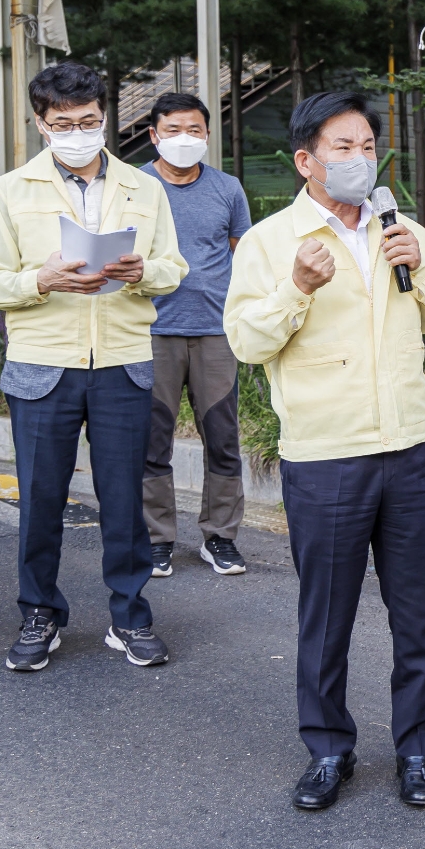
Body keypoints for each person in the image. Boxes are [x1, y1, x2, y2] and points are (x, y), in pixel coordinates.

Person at [225, 91, 425, 811]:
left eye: (367, 147)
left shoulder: (401, 228)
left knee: (420, 611)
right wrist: (297, 287)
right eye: (342, 147)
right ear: (306, 160)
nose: (359, 159)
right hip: (326, 455)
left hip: (407, 448)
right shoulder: (273, 242)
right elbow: (246, 341)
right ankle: (328, 749)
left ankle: (417, 749)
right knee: (326, 614)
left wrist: (418, 263)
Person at [0, 61, 188, 671]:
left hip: (123, 362)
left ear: (104, 118)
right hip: (43, 366)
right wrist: (39, 279)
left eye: (89, 121)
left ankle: (130, 615)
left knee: (124, 499)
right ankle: (40, 613)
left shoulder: (144, 188)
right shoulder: (11, 190)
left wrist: (144, 272)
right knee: (41, 500)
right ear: (41, 124)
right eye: (64, 123)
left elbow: (173, 267)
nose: (79, 132)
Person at [139, 92, 253, 579]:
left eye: (195, 131)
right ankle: (156, 539)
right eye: (173, 130)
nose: (184, 140)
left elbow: (241, 254)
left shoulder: (228, 189)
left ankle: (220, 537)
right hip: (150, 330)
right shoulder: (133, 187)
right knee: (151, 441)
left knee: (223, 438)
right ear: (153, 134)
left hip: (215, 333)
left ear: (207, 136)